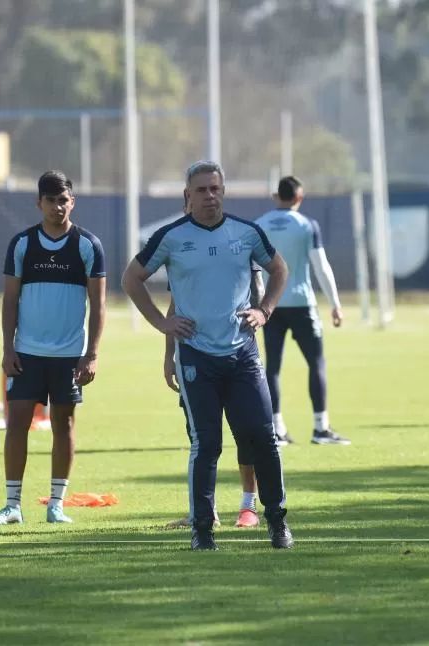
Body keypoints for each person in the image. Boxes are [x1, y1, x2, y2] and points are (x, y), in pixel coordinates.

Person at [122, 159, 294, 551]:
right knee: (207, 444)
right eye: (201, 190)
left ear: (223, 192)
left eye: (215, 189)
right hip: (197, 356)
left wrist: (264, 310)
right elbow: (131, 279)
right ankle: (203, 529)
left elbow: (279, 270)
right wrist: (161, 325)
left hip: (242, 354)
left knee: (263, 438)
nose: (210, 196)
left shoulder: (247, 233)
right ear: (188, 196)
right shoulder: (170, 237)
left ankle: (277, 521)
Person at [0, 170, 106, 526]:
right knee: (16, 424)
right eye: (50, 200)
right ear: (39, 203)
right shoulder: (22, 244)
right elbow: (10, 301)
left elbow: (98, 306)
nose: (57, 207)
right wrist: (8, 349)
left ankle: (56, 504)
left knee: (64, 425)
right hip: (27, 353)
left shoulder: (88, 245)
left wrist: (92, 354)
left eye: (63, 200)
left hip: (69, 356)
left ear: (73, 202)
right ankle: (12, 506)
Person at [162, 266, 266, 530]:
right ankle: (205, 511)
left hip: (235, 357)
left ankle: (248, 506)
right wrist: (168, 355)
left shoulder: (238, 244)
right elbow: (175, 306)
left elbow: (259, 292)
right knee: (201, 437)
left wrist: (259, 311)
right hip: (194, 358)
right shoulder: (180, 246)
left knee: (247, 432)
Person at [255, 176, 349, 446]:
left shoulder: (260, 225)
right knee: (316, 362)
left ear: (276, 197)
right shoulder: (307, 225)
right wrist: (335, 304)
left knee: (272, 367)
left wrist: (258, 301)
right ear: (299, 198)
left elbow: (252, 267)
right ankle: (321, 428)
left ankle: (276, 429)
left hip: (270, 305)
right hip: (301, 303)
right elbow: (321, 266)